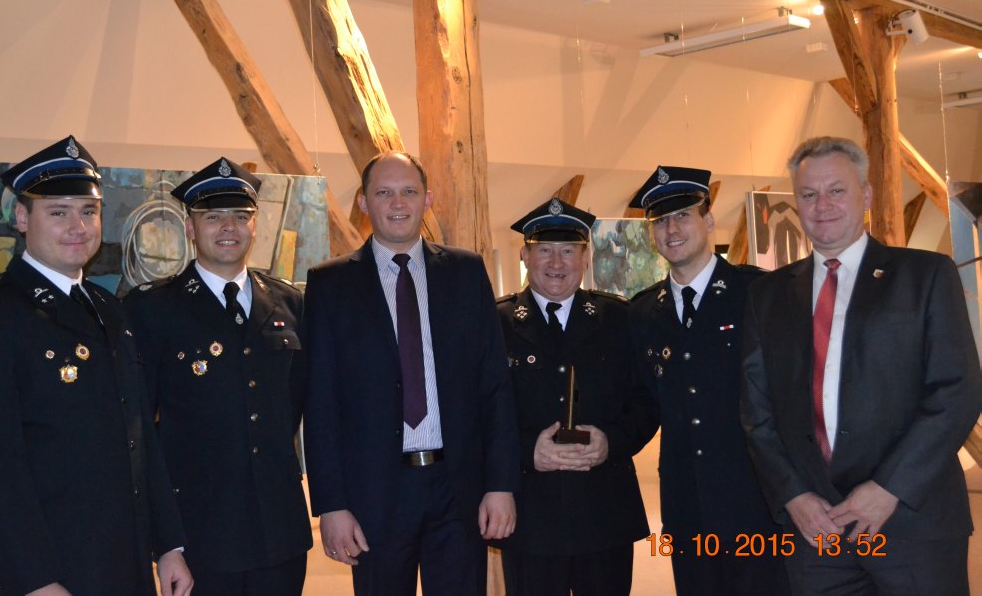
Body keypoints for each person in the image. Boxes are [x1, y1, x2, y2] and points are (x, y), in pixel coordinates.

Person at [740, 136, 982, 595]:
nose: (822, 205)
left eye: (837, 190)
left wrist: (890, 488)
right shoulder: (767, 295)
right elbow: (757, 412)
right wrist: (793, 495)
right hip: (816, 532)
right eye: (809, 194)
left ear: (866, 196)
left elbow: (958, 390)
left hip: (911, 524)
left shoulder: (926, 276)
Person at [0, 136, 192, 596]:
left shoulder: (107, 308)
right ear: (22, 218)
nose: (78, 226)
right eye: (58, 212)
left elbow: (140, 434)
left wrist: (168, 544)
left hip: (124, 564)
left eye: (89, 211)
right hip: (49, 573)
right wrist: (34, 580)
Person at [303, 151, 520, 596]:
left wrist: (501, 485)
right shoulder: (330, 285)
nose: (397, 203)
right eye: (384, 192)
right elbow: (320, 403)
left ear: (428, 199)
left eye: (409, 191)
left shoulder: (466, 273)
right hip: (374, 495)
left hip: (458, 488)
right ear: (363, 202)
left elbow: (494, 387)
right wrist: (332, 506)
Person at [124, 157, 312, 595]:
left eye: (240, 216)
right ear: (191, 228)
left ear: (254, 225)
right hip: (199, 532)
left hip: (279, 531)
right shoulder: (152, 310)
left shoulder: (289, 303)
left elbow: (297, 405)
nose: (228, 227)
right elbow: (139, 433)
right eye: (212, 217)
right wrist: (165, 542)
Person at [628, 166, 789, 596]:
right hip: (686, 505)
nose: (671, 229)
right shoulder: (643, 313)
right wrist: (605, 440)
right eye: (660, 221)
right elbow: (644, 403)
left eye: (683, 215)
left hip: (756, 500)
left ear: (709, 220)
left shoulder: (755, 293)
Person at [496, 198, 654, 596]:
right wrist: (526, 451)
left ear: (585, 257)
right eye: (544, 250)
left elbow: (646, 402)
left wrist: (611, 442)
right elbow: (480, 414)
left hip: (604, 514)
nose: (556, 262)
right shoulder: (496, 324)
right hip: (529, 517)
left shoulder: (620, 320)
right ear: (524, 256)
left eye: (568, 251)